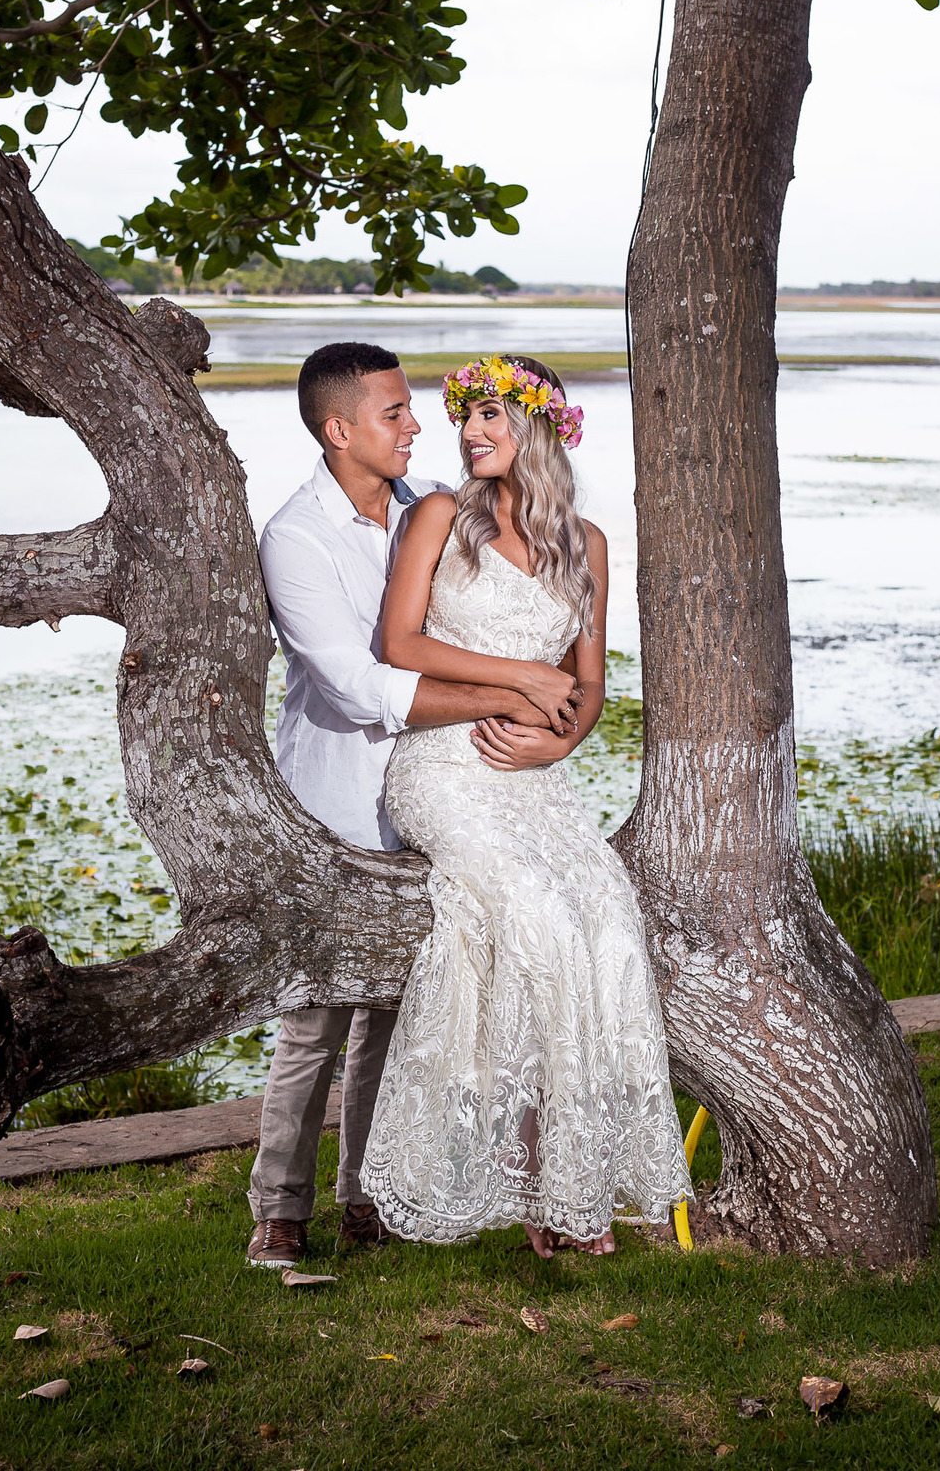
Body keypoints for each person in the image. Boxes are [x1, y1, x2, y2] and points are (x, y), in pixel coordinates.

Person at [360, 354, 692, 1257]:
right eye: (464, 417)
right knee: (538, 921)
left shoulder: (587, 546)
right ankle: (518, 1176)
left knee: (611, 924)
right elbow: (398, 643)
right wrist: (518, 680)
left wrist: (560, 737)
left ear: (541, 428)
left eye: (491, 418)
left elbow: (590, 689)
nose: (470, 433)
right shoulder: (438, 517)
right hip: (444, 766)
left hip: (538, 778)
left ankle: (573, 1183)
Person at [246, 342, 568, 1269]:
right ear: (340, 429)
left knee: (396, 1011)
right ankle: (279, 1208)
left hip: (438, 793)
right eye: (394, 413)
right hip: (339, 801)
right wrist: (514, 694)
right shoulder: (295, 538)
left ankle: (365, 1197)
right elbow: (356, 687)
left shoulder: (436, 503)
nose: (416, 424)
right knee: (317, 1015)